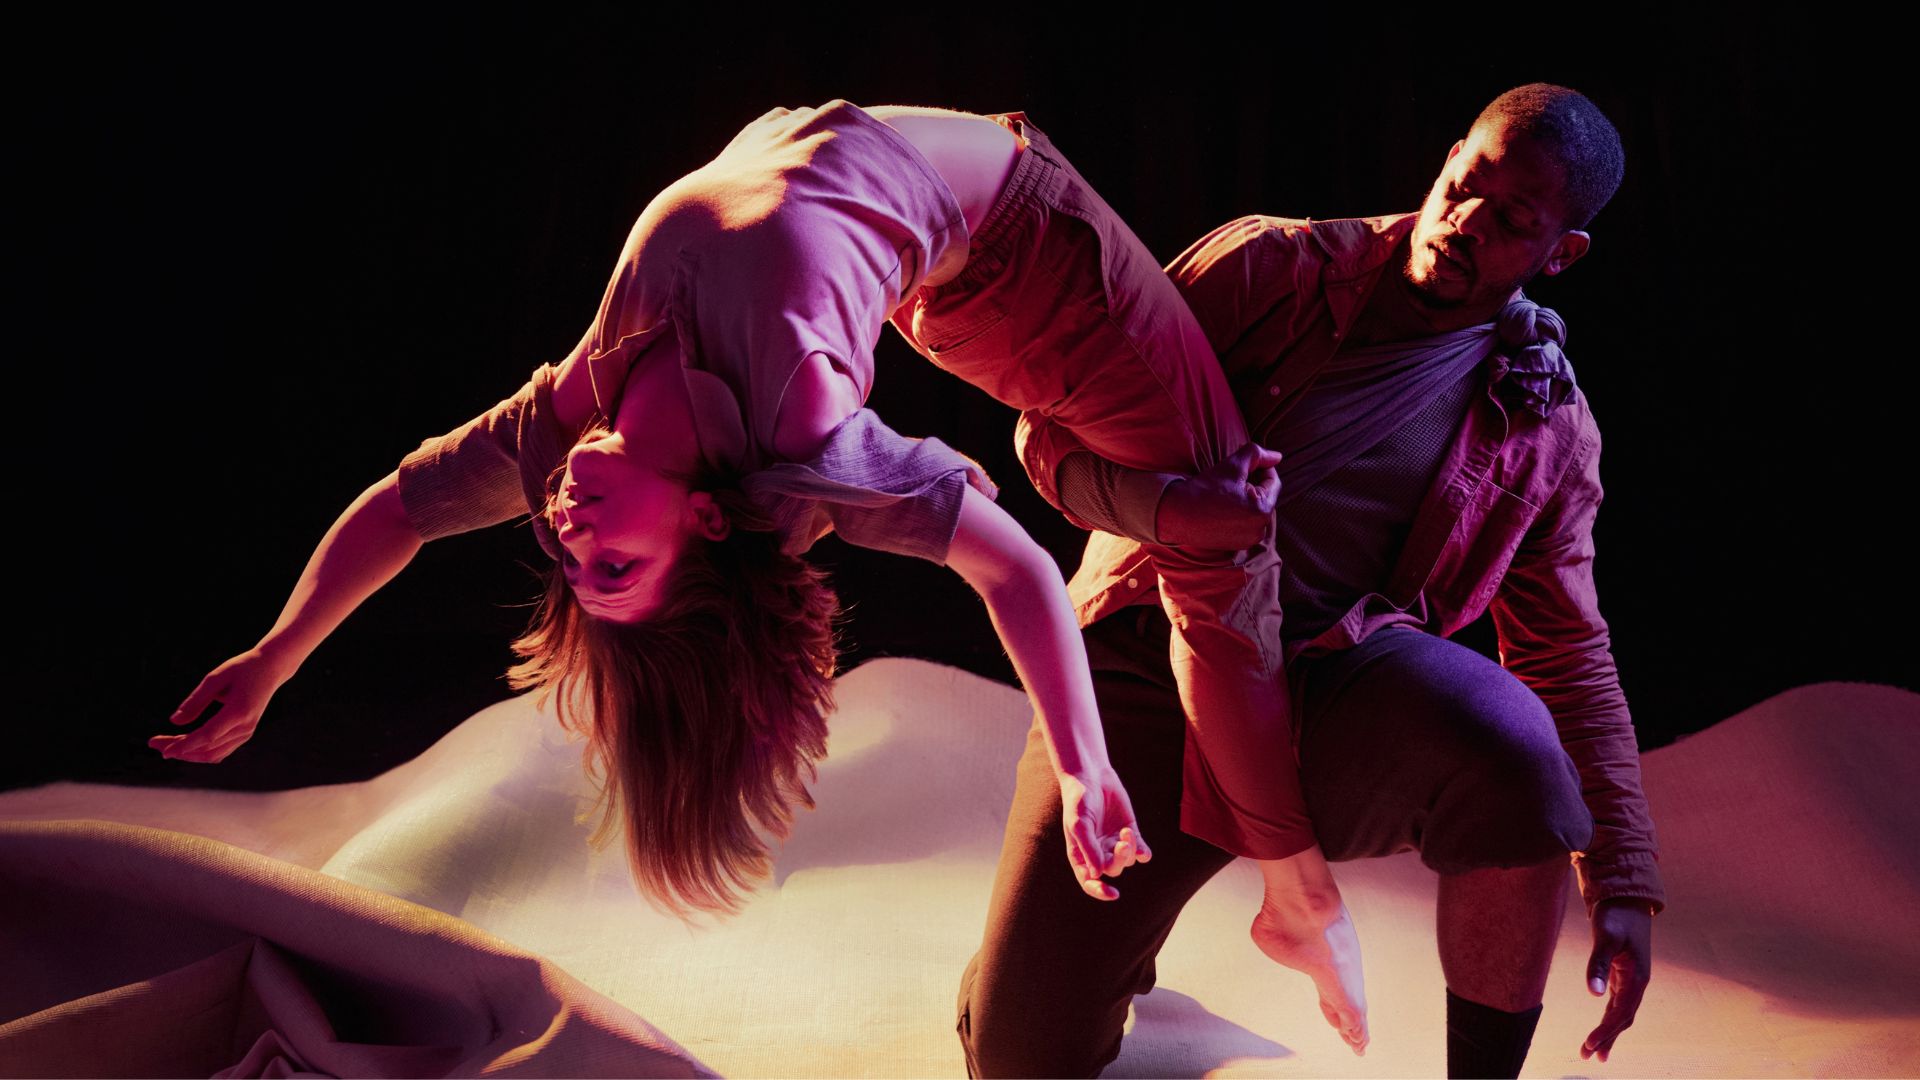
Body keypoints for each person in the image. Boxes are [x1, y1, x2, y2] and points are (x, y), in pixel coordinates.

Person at [153, 102, 1361, 1032]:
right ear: (705, 525)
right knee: (1221, 511)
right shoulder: (803, 434)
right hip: (1024, 257)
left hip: (937, 266)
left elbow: (402, 513)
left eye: (570, 563)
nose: (570, 534)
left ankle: (1126, 519)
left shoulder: (567, 418)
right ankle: (1298, 896)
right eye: (615, 565)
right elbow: (1011, 576)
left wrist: (271, 663)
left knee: (1160, 486)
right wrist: (1090, 767)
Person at [956, 84, 1664, 1079]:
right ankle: (1065, 965)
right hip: (1145, 666)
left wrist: (1623, 880)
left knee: (1522, 766)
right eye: (1466, 184)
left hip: (1330, 698)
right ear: (1452, 152)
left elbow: (1567, 649)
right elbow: (1050, 434)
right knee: (1017, 1056)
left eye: (1512, 223)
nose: (1463, 223)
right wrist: (1174, 515)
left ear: (1561, 253)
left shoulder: (1543, 421)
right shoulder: (1268, 268)